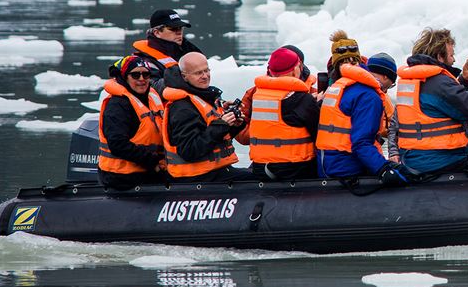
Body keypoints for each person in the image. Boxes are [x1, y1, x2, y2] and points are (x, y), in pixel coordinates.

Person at [389, 28, 468, 177]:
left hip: (414, 160)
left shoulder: (412, 81)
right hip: (443, 162)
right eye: (451, 55)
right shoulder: (439, 82)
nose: (454, 60)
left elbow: (445, 104)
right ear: (440, 57)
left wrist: (463, 80)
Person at [317, 54, 405, 184]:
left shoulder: (343, 85)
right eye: (389, 86)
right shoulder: (368, 97)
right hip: (346, 166)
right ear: (386, 77)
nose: (385, 91)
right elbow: (361, 143)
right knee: (401, 176)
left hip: (325, 162)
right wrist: (384, 169)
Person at [162, 52, 242, 182]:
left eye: (206, 71)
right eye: (198, 73)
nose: (205, 76)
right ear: (184, 76)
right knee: (260, 178)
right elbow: (189, 150)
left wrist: (234, 125)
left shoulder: (203, 97)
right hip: (197, 177)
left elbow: (214, 139)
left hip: (214, 170)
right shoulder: (182, 108)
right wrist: (221, 125)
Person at [244, 47, 320, 181]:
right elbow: (319, 134)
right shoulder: (302, 99)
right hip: (295, 170)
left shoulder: (257, 96)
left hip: (260, 169)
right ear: (295, 69)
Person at [97, 55, 168, 189]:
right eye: (135, 75)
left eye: (146, 75)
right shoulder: (118, 105)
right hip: (122, 177)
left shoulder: (151, 97)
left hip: (149, 170)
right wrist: (153, 162)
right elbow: (118, 144)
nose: (142, 79)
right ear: (125, 77)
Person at [132, 8, 203, 86]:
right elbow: (152, 87)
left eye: (181, 28)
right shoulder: (145, 62)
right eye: (173, 29)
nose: (179, 32)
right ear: (157, 32)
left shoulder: (187, 50)